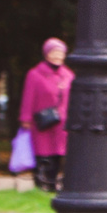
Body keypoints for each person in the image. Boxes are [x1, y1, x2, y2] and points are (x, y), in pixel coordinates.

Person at [20, 38, 73, 191]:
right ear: (46, 54)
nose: (58, 56)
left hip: (62, 123)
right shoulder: (35, 74)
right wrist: (25, 118)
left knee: (58, 153)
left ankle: (52, 184)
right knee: (42, 153)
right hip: (42, 123)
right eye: (54, 53)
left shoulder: (68, 75)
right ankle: (39, 184)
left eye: (61, 53)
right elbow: (28, 97)